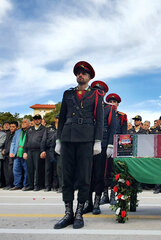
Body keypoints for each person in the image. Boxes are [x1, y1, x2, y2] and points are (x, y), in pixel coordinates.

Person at [54, 61, 104, 229]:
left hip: (86, 140)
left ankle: (79, 213)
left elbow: (100, 120)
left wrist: (97, 141)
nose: (80, 75)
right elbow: (61, 118)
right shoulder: (68, 94)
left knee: (83, 177)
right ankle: (68, 212)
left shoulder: (96, 95)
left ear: (89, 77)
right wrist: (58, 140)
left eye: (83, 73)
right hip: (67, 138)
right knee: (66, 177)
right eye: (78, 73)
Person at [83, 82, 116, 216]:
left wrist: (110, 145)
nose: (96, 93)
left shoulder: (109, 108)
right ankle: (88, 203)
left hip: (102, 146)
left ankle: (96, 202)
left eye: (99, 91)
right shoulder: (86, 106)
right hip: (87, 144)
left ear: (103, 94)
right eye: (94, 90)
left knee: (98, 175)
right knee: (86, 175)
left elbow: (112, 127)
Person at [101, 92, 127, 206]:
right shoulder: (103, 113)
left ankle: (113, 195)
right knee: (103, 170)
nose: (112, 104)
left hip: (116, 147)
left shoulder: (122, 116)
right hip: (105, 145)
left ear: (118, 104)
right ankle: (104, 194)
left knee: (114, 172)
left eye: (114, 102)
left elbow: (124, 134)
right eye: (110, 102)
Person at [22, 114, 47, 191]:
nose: (37, 120)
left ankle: (38, 185)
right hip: (29, 151)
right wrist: (24, 152)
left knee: (38, 169)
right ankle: (30, 185)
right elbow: (26, 141)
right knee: (30, 169)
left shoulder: (44, 129)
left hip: (38, 151)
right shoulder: (30, 129)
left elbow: (44, 140)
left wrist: (43, 150)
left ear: (40, 120)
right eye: (35, 119)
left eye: (38, 119)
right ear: (33, 120)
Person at [9, 120, 29, 190]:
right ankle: (17, 185)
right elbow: (13, 142)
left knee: (27, 170)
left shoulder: (30, 131)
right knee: (16, 170)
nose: (23, 123)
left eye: (25, 122)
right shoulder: (17, 132)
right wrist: (11, 152)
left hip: (26, 154)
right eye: (22, 122)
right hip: (17, 153)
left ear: (29, 124)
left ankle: (26, 185)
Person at [41, 120, 58, 192]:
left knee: (56, 169)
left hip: (58, 150)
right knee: (48, 169)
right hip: (48, 150)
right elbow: (44, 140)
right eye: (57, 118)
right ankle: (47, 186)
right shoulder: (49, 128)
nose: (58, 120)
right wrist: (43, 150)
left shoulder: (62, 127)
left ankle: (55, 186)